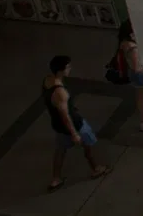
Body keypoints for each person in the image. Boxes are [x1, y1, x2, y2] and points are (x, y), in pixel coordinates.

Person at [44, 55, 107, 190]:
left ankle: (56, 178)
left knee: (60, 150)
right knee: (88, 144)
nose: (70, 69)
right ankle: (96, 168)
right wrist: (74, 133)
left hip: (58, 126)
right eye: (68, 67)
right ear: (61, 70)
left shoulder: (47, 81)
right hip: (75, 124)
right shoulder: (60, 92)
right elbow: (65, 115)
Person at [116, 20, 143, 131]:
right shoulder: (132, 47)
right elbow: (137, 67)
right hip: (141, 75)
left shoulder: (124, 43)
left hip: (133, 75)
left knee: (141, 97)